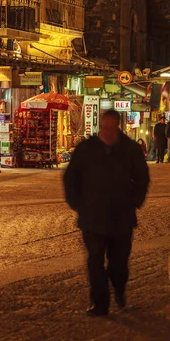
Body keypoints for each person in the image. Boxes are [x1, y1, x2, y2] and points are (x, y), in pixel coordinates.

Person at [64, 109, 150, 317]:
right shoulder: (86, 148)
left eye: (112, 128)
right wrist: (77, 204)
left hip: (121, 217)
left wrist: (134, 202)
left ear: (118, 127)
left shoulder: (130, 149)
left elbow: (142, 178)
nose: (108, 132)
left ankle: (119, 289)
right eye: (105, 128)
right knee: (94, 261)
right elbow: (70, 177)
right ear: (100, 126)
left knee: (119, 263)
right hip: (92, 217)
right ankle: (100, 303)